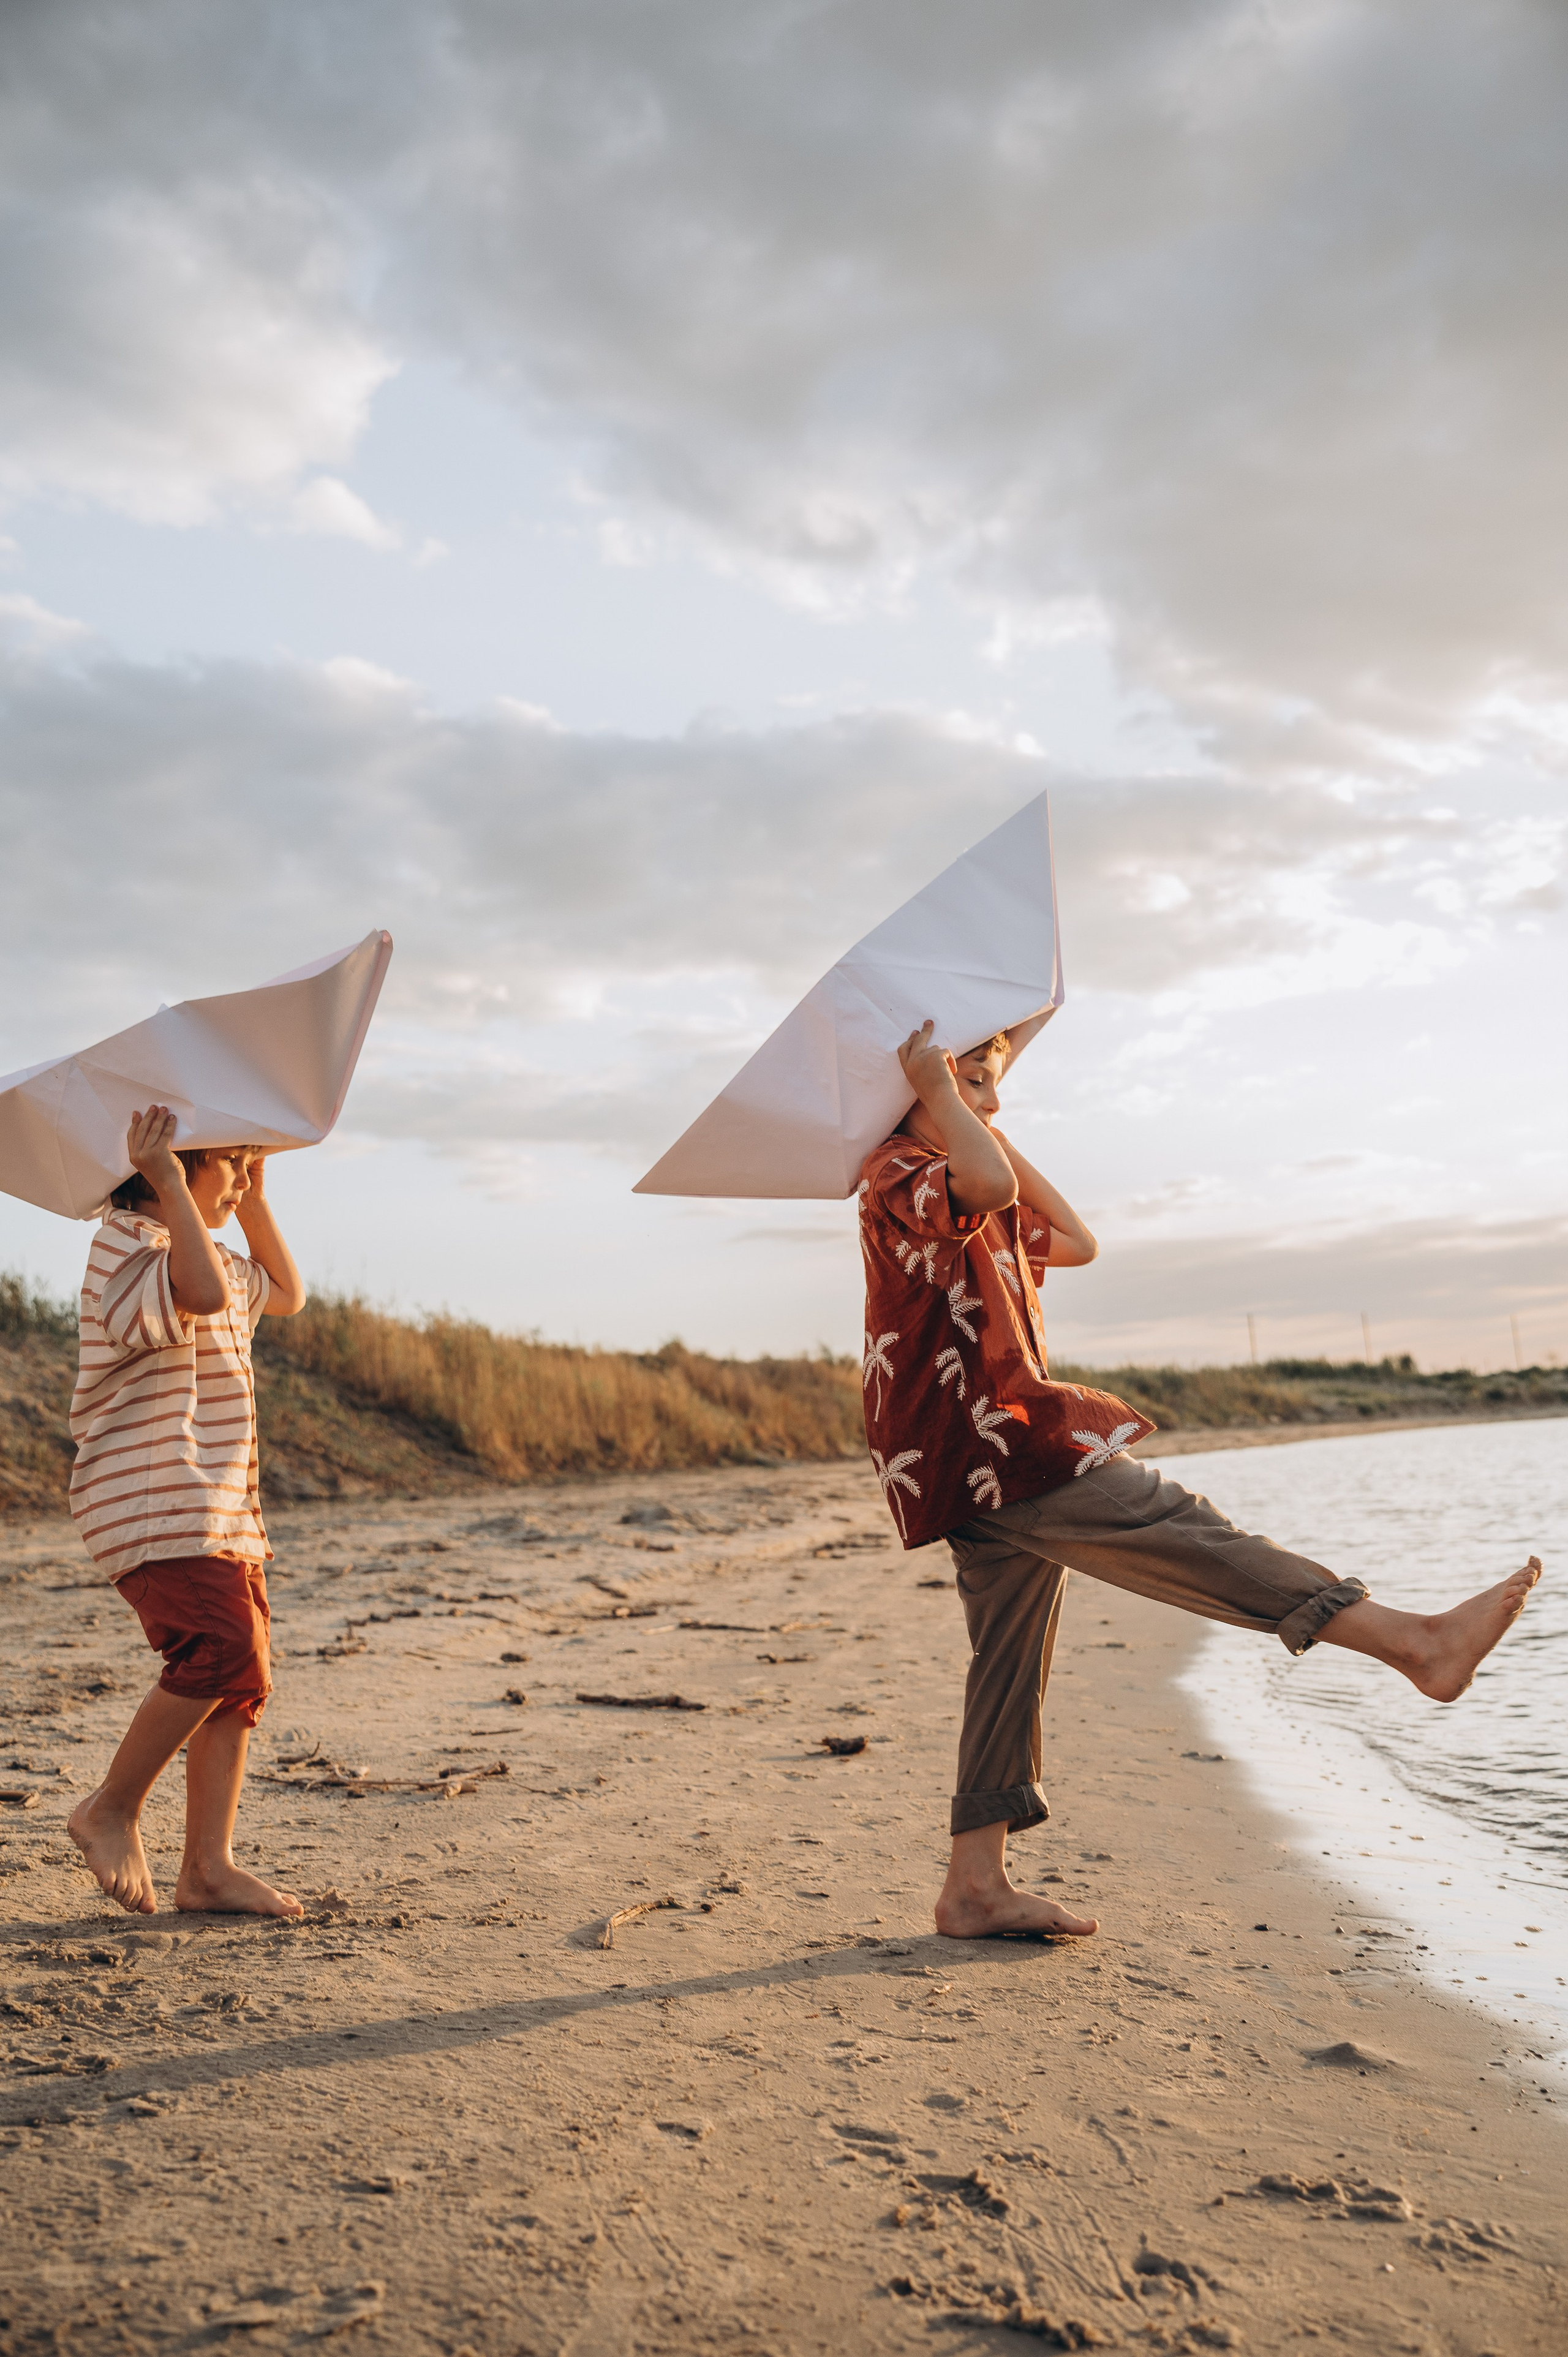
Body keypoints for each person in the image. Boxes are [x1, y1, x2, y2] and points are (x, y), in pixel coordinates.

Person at [859, 1021, 1542, 1944]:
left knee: (1008, 1656)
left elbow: (1075, 1240)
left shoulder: (965, 1175)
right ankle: (1414, 1644)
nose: (992, 1098)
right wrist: (943, 1099)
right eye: (972, 1077)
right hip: (990, 1440)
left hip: (973, 1451)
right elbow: (987, 1185)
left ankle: (975, 1885)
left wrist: (967, 1110)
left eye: (994, 1081)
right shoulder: (897, 1171)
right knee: (1178, 1528)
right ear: (910, 1087)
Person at [66, 1107, 309, 1918]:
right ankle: (110, 1808)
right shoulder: (127, 1246)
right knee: (219, 1646)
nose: (242, 1177)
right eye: (231, 1163)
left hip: (218, 1504)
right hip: (152, 1497)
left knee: (244, 1672)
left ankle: (206, 1867)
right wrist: (171, 1181)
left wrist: (253, 1198)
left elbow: (287, 1295)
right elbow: (198, 1292)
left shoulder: (215, 1254)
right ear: (166, 1166)